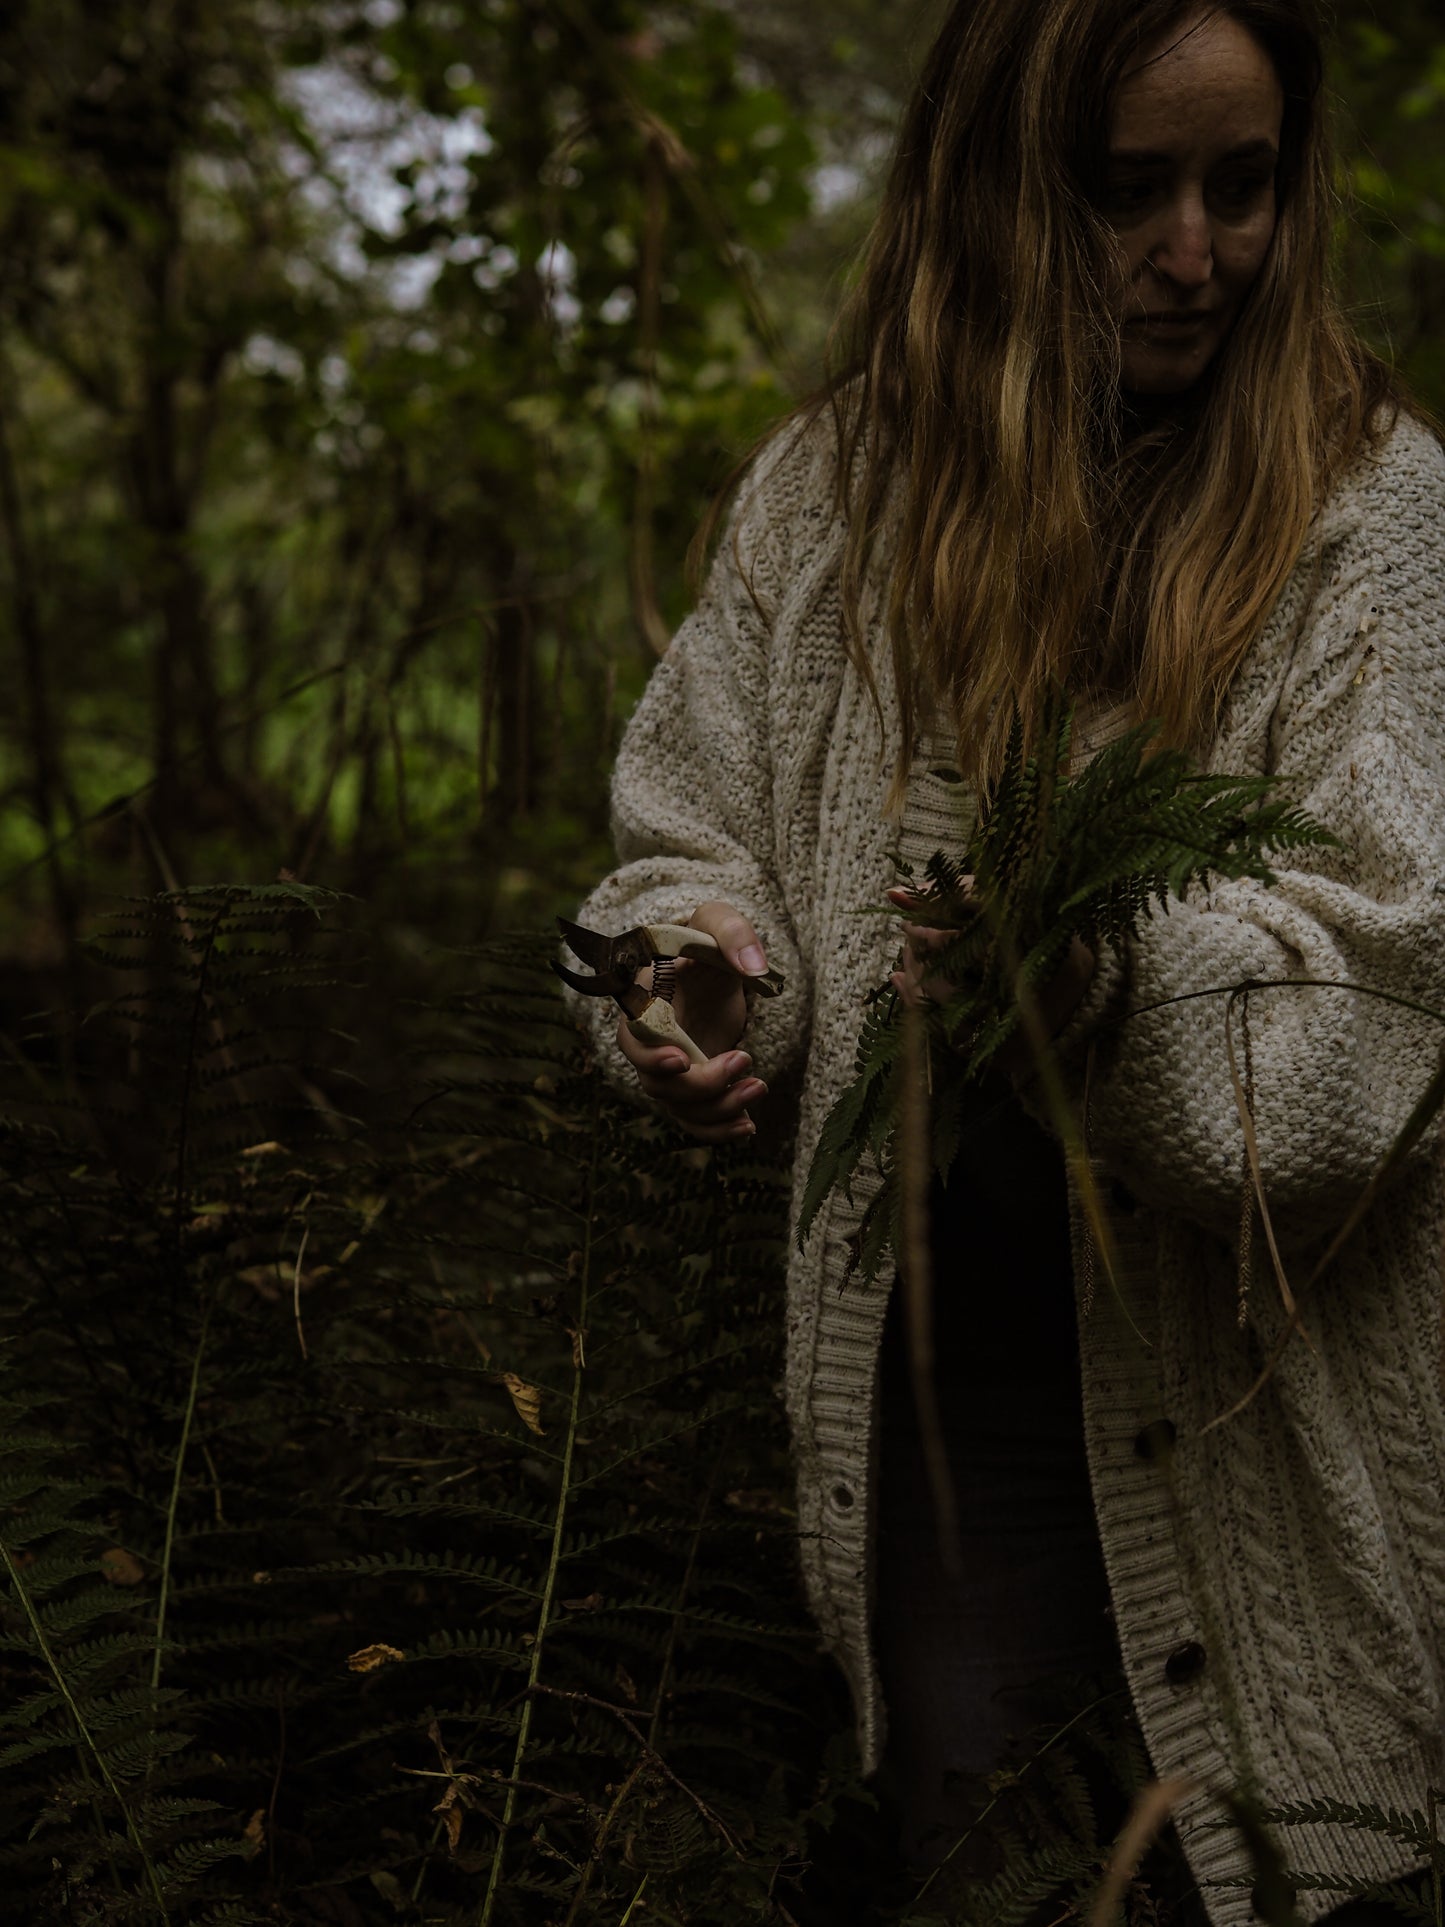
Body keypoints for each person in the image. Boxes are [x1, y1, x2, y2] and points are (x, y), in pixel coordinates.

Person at [568, 1, 1445, 1917]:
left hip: (1275, 1457)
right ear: (995, 189)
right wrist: (699, 973)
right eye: (1126, 191)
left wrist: (1101, 995)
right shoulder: (836, 497)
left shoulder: (1372, 520)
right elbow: (694, 834)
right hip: (949, 1447)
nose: (1197, 252)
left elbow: (1369, 1008)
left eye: (1242, 183)